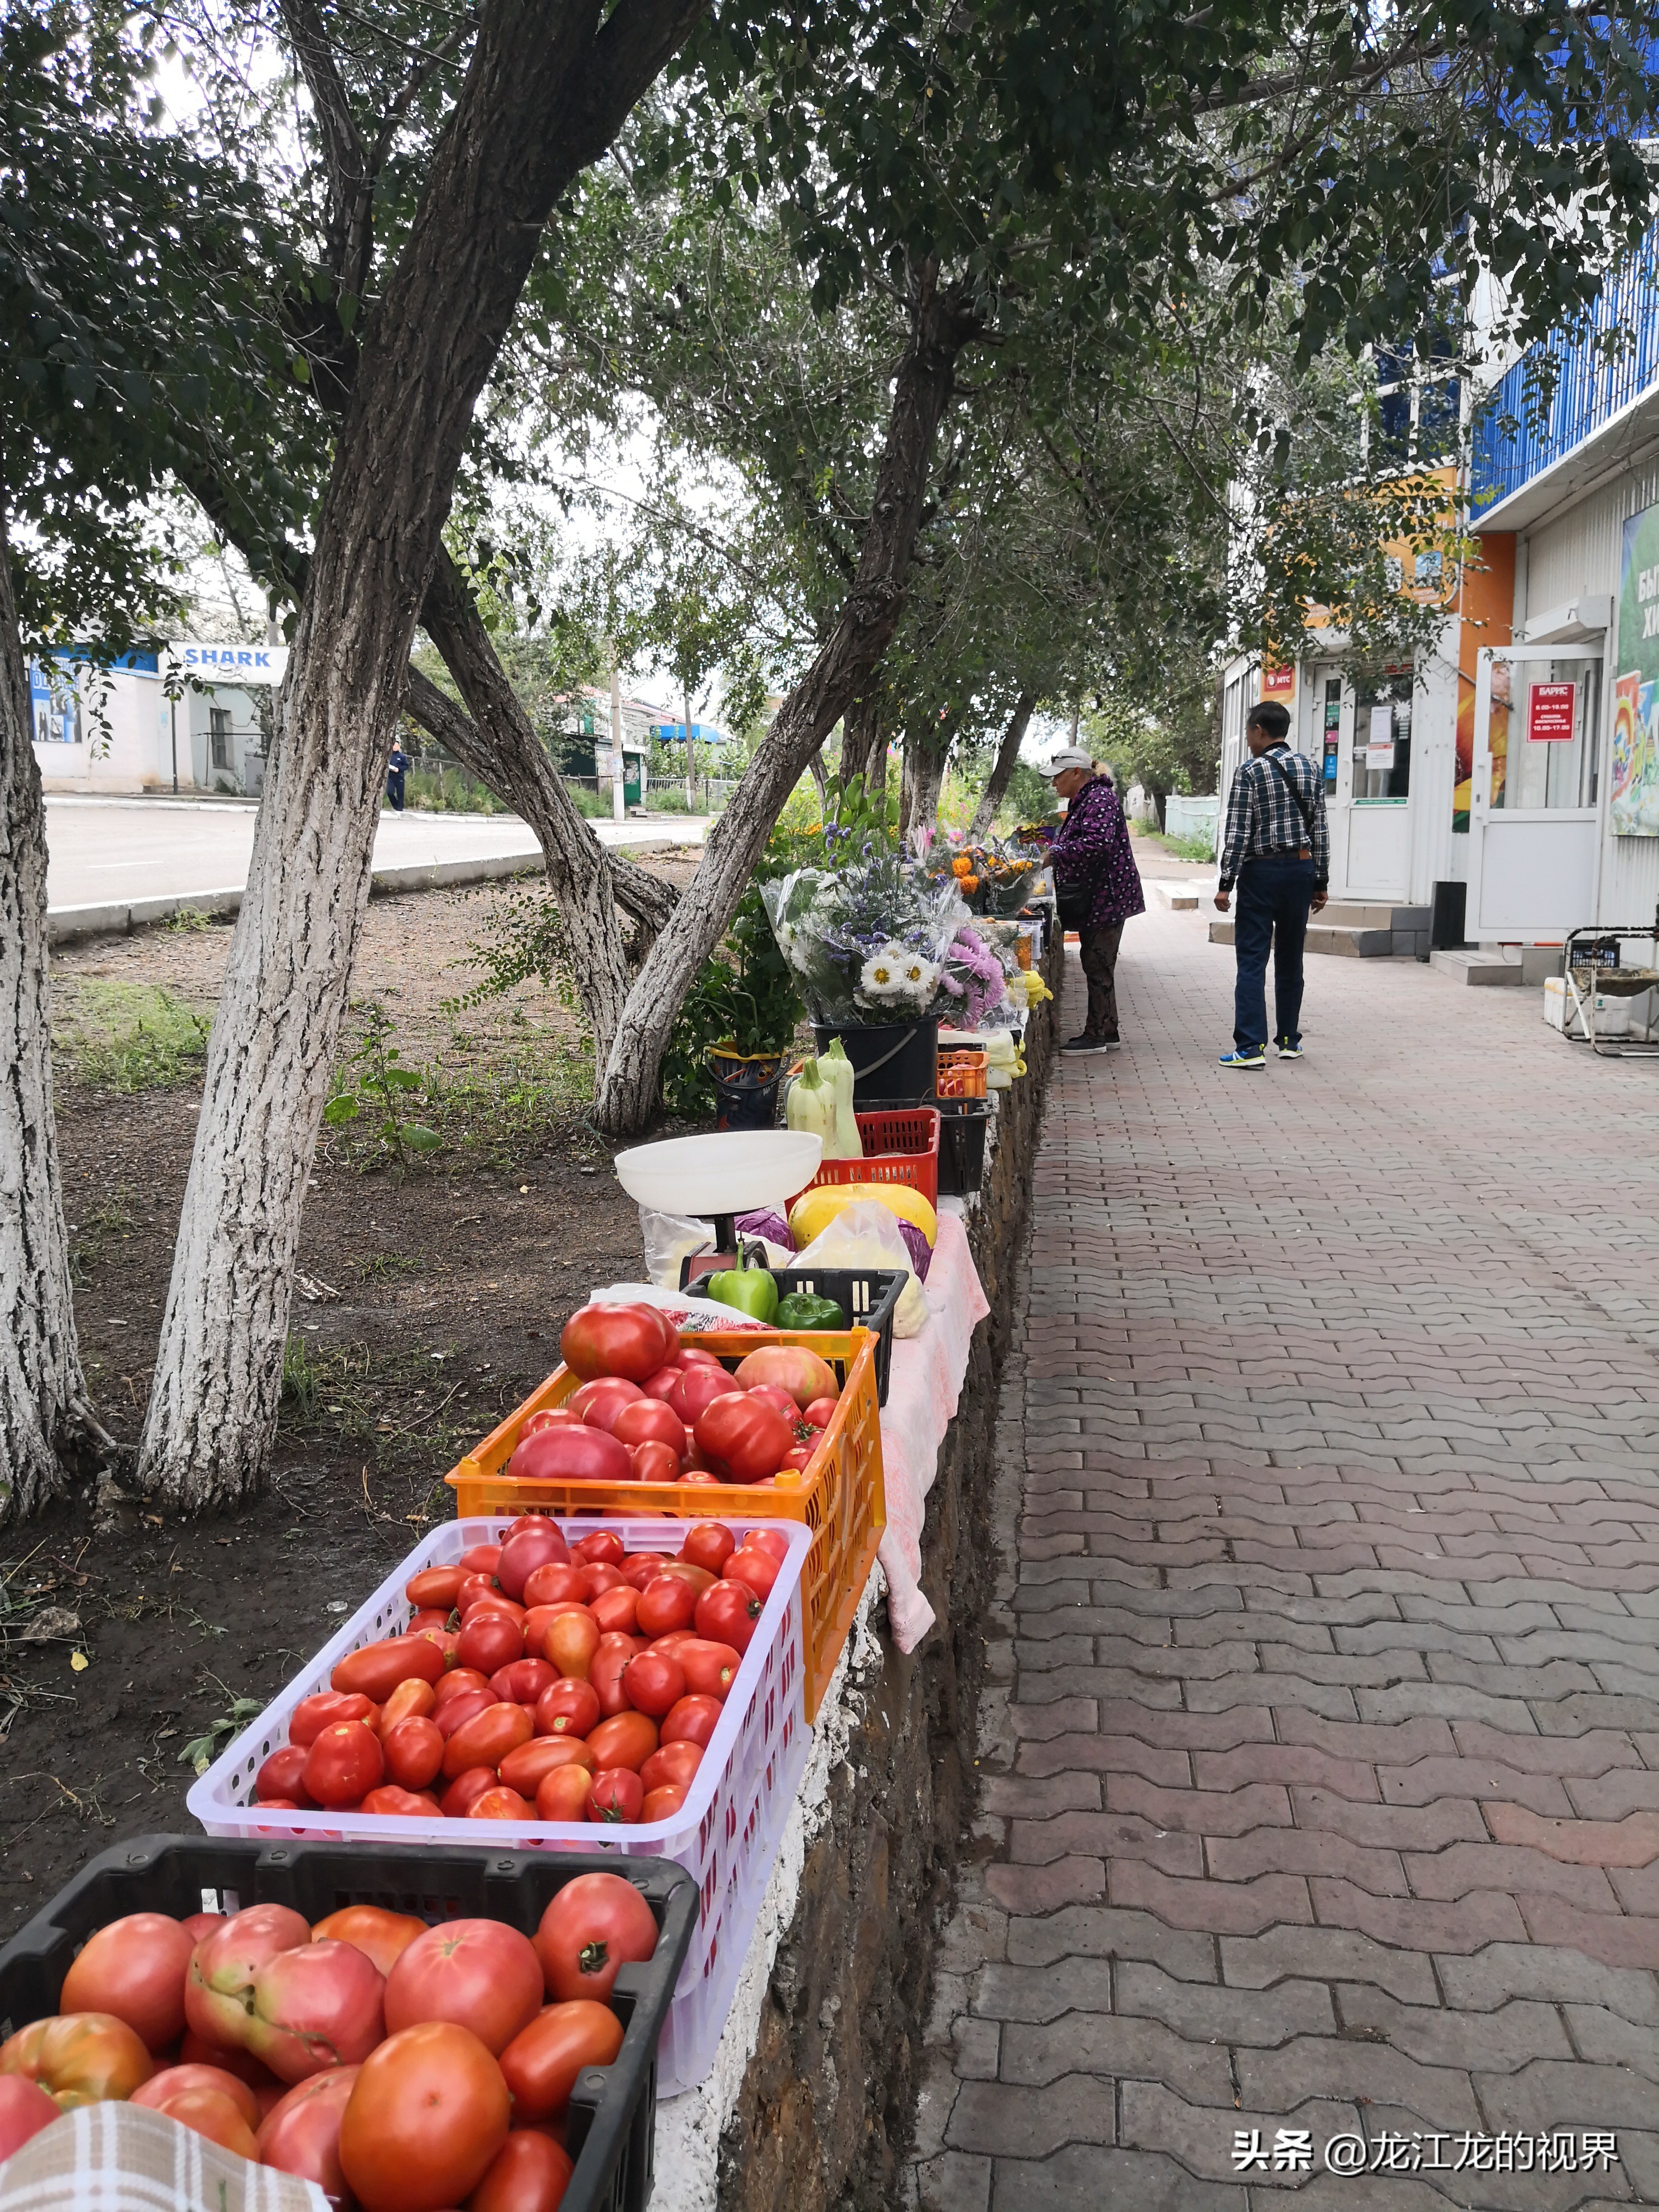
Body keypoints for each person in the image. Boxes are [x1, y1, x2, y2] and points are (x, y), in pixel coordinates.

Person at [1213, 700, 1328, 1069]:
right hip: (1300, 870)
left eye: (1249, 732)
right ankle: (1289, 1041)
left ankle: (1249, 1047)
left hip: (1260, 873)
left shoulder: (1250, 771)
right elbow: (1319, 829)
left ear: (1260, 730)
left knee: (1252, 959)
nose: (1247, 740)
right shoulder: (1311, 768)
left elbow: (1238, 831)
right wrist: (1321, 879)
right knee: (1291, 957)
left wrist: (1225, 882)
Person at [1047, 746, 1145, 1054]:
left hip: (1108, 895)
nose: (1054, 785)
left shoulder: (1098, 799)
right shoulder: (1087, 799)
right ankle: (1108, 1027)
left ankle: (1096, 1035)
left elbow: (1097, 843)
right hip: (1101, 894)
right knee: (1098, 962)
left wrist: (1055, 854)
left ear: (1077, 773)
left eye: (1058, 777)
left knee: (1097, 963)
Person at [385, 738, 410, 812]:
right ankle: (395, 805)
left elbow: (406, 766)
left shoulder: (402, 756)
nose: (394, 747)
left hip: (399, 776)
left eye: (396, 746)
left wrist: (399, 769)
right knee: (390, 792)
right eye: (393, 746)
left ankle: (400, 808)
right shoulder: (389, 756)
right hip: (391, 776)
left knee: (400, 793)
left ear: (399, 747)